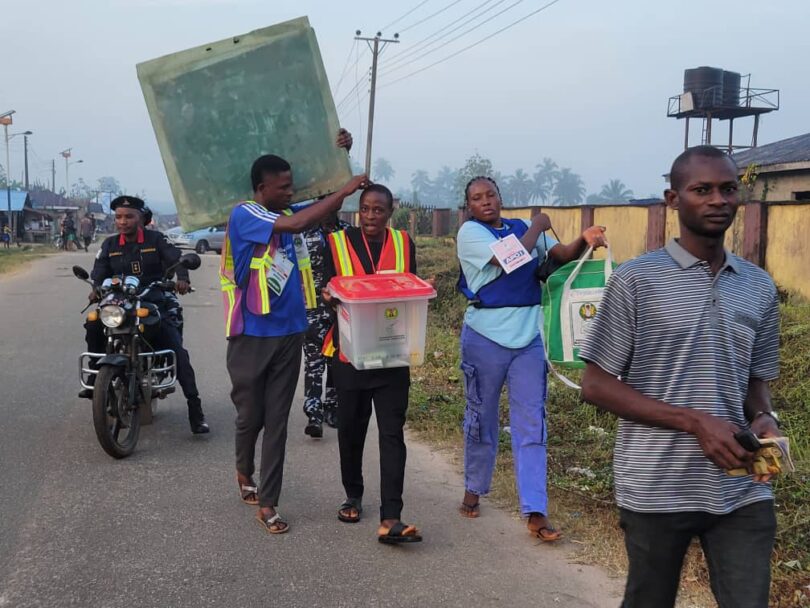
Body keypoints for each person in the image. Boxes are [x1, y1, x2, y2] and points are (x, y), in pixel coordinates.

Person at [579, 146, 782, 608]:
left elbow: (755, 381)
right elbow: (596, 384)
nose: (718, 200)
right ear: (673, 199)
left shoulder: (758, 285)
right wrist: (694, 421)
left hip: (740, 485)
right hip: (656, 485)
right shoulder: (636, 280)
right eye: (702, 190)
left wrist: (765, 418)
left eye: (728, 189)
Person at [221, 141, 367, 535]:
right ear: (261, 187)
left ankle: (268, 503)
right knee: (250, 415)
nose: (290, 192)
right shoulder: (245, 214)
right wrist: (348, 187)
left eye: (291, 186)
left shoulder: (289, 211)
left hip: (290, 334)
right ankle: (242, 470)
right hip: (251, 335)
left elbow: (324, 209)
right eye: (282, 187)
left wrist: (341, 157)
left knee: (278, 421)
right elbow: (299, 223)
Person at [456, 176, 606, 541]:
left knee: (532, 423)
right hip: (485, 337)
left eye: (490, 194)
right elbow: (511, 260)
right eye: (477, 198)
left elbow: (560, 256)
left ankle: (536, 510)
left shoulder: (522, 227)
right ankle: (474, 488)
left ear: (500, 197)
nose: (486, 202)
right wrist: (539, 224)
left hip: (529, 338)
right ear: (470, 206)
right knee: (481, 416)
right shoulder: (470, 234)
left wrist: (582, 241)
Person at [320, 184, 423, 544]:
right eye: (365, 209)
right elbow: (324, 287)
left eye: (379, 210)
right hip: (349, 354)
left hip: (393, 356)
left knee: (392, 434)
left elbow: (410, 286)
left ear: (390, 212)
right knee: (351, 430)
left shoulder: (403, 243)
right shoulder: (336, 242)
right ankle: (353, 494)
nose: (371, 217)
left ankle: (391, 515)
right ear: (358, 210)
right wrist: (328, 296)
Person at [82, 195, 209, 435]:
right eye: (119, 217)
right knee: (93, 324)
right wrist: (95, 288)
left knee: (176, 349)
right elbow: (98, 272)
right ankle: (95, 378)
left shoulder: (156, 239)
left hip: (153, 299)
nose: (123, 221)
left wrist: (182, 278)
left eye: (129, 216)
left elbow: (176, 259)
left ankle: (195, 409)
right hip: (119, 302)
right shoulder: (109, 245)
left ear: (141, 219)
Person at [300, 209, 351, 438]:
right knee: (314, 361)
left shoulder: (348, 233)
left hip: (342, 307)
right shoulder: (302, 233)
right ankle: (313, 413)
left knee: (337, 359)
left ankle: (333, 406)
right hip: (311, 308)